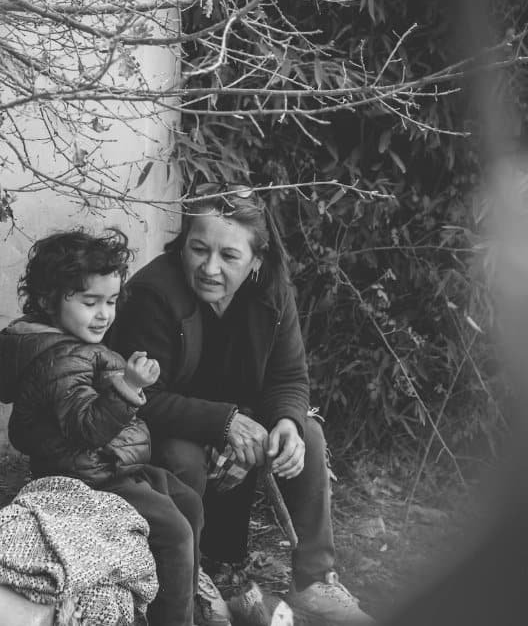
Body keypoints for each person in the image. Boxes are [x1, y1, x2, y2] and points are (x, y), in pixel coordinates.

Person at [108, 185, 375, 626]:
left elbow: (288, 377)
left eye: (229, 256)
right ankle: (189, 578)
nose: (209, 268)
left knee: (307, 432)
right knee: (181, 453)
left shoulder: (271, 291)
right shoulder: (154, 294)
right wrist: (224, 423)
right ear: (183, 244)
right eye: (198, 249)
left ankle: (313, 579)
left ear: (256, 259)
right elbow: (141, 398)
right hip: (166, 433)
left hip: (238, 425)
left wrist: (286, 420)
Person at [0, 228, 231, 626]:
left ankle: (185, 588)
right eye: (90, 302)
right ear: (50, 301)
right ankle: (176, 617)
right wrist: (128, 387)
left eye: (112, 301)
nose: (104, 314)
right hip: (86, 478)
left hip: (108, 466)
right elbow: (87, 428)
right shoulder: (61, 359)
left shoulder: (74, 347)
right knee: (175, 531)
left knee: (188, 502)